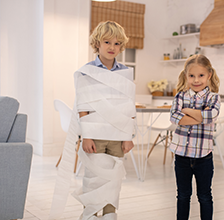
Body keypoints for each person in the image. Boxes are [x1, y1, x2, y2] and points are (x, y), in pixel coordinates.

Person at [71, 20, 135, 220]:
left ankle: (109, 213)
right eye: (107, 42)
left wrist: (128, 136)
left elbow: (128, 107)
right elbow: (83, 108)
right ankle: (90, 213)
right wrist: (86, 136)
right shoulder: (87, 71)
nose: (112, 47)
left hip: (117, 135)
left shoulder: (124, 73)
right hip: (96, 135)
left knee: (114, 177)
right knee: (93, 176)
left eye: (117, 44)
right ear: (97, 43)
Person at [169, 54, 221, 220]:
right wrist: (200, 116)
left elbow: (211, 116)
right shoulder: (180, 96)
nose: (196, 80)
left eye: (201, 75)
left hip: (203, 157)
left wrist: (187, 111)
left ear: (209, 75)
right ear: (186, 76)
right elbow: (174, 118)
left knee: (204, 195)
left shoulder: (213, 97)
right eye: (191, 76)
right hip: (181, 156)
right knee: (183, 195)